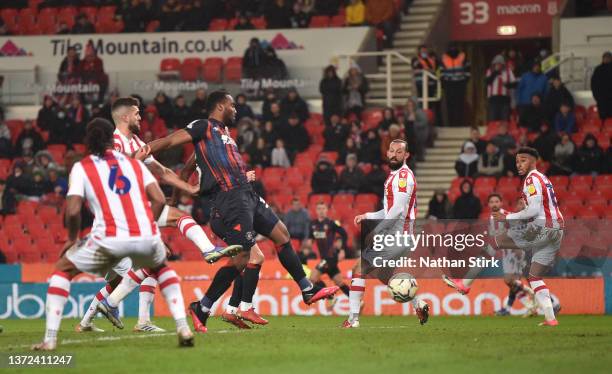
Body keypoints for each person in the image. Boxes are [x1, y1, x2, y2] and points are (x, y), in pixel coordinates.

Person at [145, 91, 338, 330]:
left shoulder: (224, 137)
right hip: (229, 200)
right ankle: (205, 307)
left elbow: (190, 170)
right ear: (219, 106)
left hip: (247, 194)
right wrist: (143, 151)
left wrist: (177, 196)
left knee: (282, 235)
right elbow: (169, 142)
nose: (235, 109)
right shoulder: (203, 127)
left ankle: (307, 289)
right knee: (243, 258)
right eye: (232, 105)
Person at [76, 98, 241, 333]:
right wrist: (135, 161)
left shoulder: (136, 141)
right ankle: (113, 311)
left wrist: (190, 188)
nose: (140, 117)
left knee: (174, 227)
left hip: (134, 210)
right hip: (114, 219)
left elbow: (161, 170)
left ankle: (95, 322)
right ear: (124, 117)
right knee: (138, 270)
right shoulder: (111, 142)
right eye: (136, 114)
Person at [31, 118, 194, 351]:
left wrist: (72, 238)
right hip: (141, 234)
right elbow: (159, 198)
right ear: (112, 139)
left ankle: (50, 339)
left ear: (88, 141)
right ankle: (183, 327)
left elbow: (74, 210)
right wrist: (148, 226)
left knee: (63, 269)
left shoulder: (82, 167)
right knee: (161, 268)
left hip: (106, 238)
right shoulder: (134, 164)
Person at [345, 140, 429, 328]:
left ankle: (353, 319)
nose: (393, 154)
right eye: (391, 151)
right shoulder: (395, 175)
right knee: (384, 275)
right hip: (402, 238)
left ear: (406, 155)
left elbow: (397, 211)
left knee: (358, 269)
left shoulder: (403, 177)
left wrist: (376, 230)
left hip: (395, 237)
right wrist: (367, 215)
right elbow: (389, 210)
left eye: (399, 152)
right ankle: (418, 303)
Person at [490, 147, 564, 326]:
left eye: (523, 160)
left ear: (533, 161)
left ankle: (465, 283)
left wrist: (507, 217)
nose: (518, 164)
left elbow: (532, 210)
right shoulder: (544, 178)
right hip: (557, 230)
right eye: (517, 161)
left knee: (496, 242)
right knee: (534, 277)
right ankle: (550, 318)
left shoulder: (531, 178)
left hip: (543, 227)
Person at [444, 195, 537, 318]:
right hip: (505, 251)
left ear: (501, 203)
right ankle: (531, 304)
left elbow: (519, 229)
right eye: (492, 202)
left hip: (514, 251)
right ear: (488, 204)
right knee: (510, 281)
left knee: (508, 278)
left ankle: (465, 283)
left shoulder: (505, 215)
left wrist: (518, 248)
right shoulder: (490, 218)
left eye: (497, 201)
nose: (494, 204)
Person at [306, 202, 351, 303]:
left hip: (331, 256)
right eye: (319, 209)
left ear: (326, 210)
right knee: (339, 282)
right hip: (324, 258)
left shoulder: (331, 223)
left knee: (312, 278)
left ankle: (330, 297)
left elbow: (344, 234)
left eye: (323, 209)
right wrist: (309, 242)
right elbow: (310, 238)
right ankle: (357, 301)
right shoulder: (313, 224)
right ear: (316, 211)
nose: (321, 211)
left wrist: (342, 249)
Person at [441, 44, 470, 126]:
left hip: (460, 84)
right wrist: (444, 82)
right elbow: (441, 71)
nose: (452, 49)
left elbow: (468, 69)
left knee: (460, 105)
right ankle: (452, 124)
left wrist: (465, 80)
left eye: (454, 47)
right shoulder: (444, 58)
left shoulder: (462, 57)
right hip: (449, 85)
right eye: (451, 47)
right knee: (450, 105)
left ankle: (460, 123)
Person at [486, 54, 516, 121]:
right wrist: (495, 72)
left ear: (503, 64)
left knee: (504, 120)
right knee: (493, 120)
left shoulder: (508, 71)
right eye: (497, 64)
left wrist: (507, 85)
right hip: (493, 99)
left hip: (504, 99)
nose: (499, 65)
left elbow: (514, 84)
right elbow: (487, 82)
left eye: (500, 64)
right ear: (494, 64)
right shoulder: (490, 71)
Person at [404, 97, 429, 161]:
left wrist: (414, 123)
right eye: (408, 105)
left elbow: (424, 122)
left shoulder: (419, 112)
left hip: (419, 132)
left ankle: (419, 155)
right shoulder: (406, 113)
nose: (410, 107)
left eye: (411, 105)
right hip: (409, 133)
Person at [590, 51, 612, 121]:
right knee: (602, 119)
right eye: (605, 58)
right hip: (601, 100)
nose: (606, 59)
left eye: (608, 58)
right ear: (602, 59)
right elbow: (593, 84)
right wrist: (597, 97)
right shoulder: (598, 70)